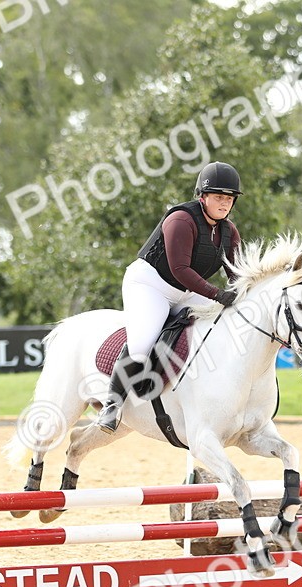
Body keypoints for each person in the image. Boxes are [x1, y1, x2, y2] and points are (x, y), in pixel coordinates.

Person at [96, 161, 244, 433]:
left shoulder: (229, 232)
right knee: (142, 344)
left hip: (186, 292)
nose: (225, 204)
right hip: (150, 285)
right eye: (219, 197)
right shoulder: (180, 220)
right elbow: (180, 269)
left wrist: (244, 295)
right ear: (203, 196)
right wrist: (217, 294)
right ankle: (111, 405)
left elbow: (236, 273)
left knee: (221, 325)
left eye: (229, 198)